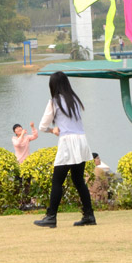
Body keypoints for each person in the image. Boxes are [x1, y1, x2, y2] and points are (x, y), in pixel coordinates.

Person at [33, 71, 96, 228]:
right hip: (81, 140)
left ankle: (51, 216)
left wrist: (52, 130)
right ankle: (89, 215)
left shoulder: (54, 102)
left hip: (68, 142)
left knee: (57, 181)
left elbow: (42, 126)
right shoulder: (74, 100)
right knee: (78, 180)